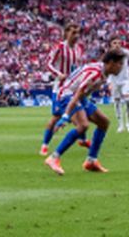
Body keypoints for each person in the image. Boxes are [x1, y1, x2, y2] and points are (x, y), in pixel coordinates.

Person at [43, 49, 126, 176]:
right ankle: (53, 158)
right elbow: (78, 93)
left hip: (78, 96)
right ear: (110, 63)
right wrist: (66, 116)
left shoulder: (103, 73)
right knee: (83, 125)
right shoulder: (95, 74)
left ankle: (91, 161)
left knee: (103, 122)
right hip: (67, 94)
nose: (121, 67)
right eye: (119, 63)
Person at [38, 25, 83, 157]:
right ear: (66, 33)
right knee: (56, 117)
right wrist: (58, 74)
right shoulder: (59, 47)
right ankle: (45, 145)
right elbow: (48, 63)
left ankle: (82, 140)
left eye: (78, 33)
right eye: (73, 32)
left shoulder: (78, 49)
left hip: (73, 88)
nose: (76, 36)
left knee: (79, 117)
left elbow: (77, 68)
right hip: (60, 88)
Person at [108, 47, 129, 133]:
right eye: (114, 43)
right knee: (117, 103)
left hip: (125, 81)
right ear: (111, 44)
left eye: (118, 43)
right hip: (114, 81)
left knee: (127, 100)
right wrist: (109, 82)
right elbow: (108, 69)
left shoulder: (125, 52)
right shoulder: (109, 55)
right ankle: (120, 125)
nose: (116, 45)